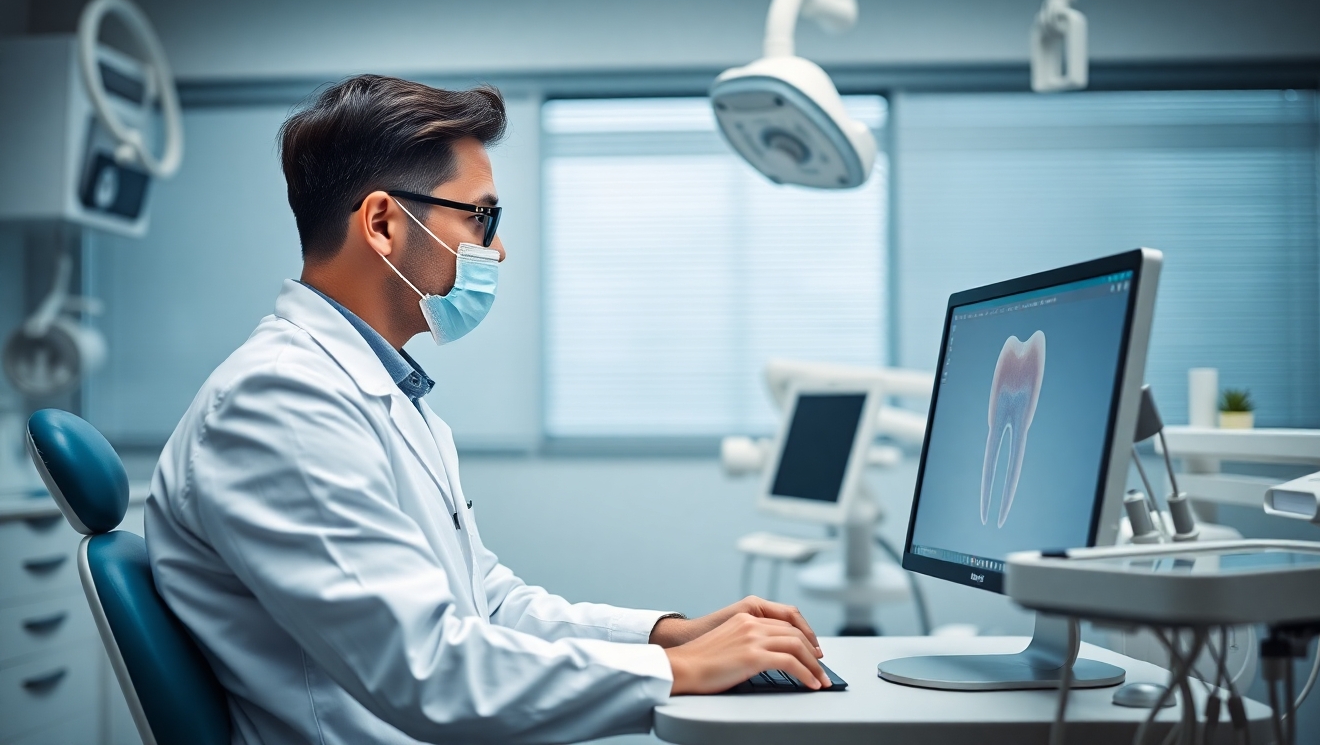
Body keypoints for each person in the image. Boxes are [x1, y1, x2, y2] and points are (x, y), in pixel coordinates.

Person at [144, 74, 829, 745]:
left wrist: (665, 635)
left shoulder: (381, 395)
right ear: (383, 223)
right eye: (481, 216)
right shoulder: (282, 403)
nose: (496, 248)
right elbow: (430, 673)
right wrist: (674, 672)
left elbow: (487, 605)